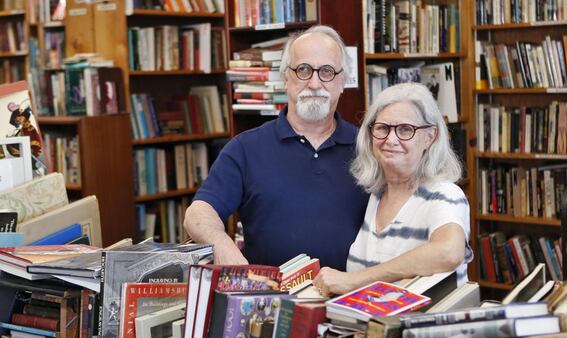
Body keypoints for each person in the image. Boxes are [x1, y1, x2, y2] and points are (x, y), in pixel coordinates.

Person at [184, 25, 369, 271]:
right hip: (269, 302)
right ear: (285, 78)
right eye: (303, 70)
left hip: (348, 302)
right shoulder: (245, 149)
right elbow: (197, 214)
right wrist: (222, 245)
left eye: (326, 71)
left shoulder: (368, 149)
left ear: (342, 81)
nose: (315, 83)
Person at [313, 83, 472, 296]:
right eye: (383, 128)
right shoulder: (376, 196)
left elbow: (449, 252)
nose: (391, 139)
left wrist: (354, 281)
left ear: (430, 137)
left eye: (406, 129)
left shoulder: (444, 194)